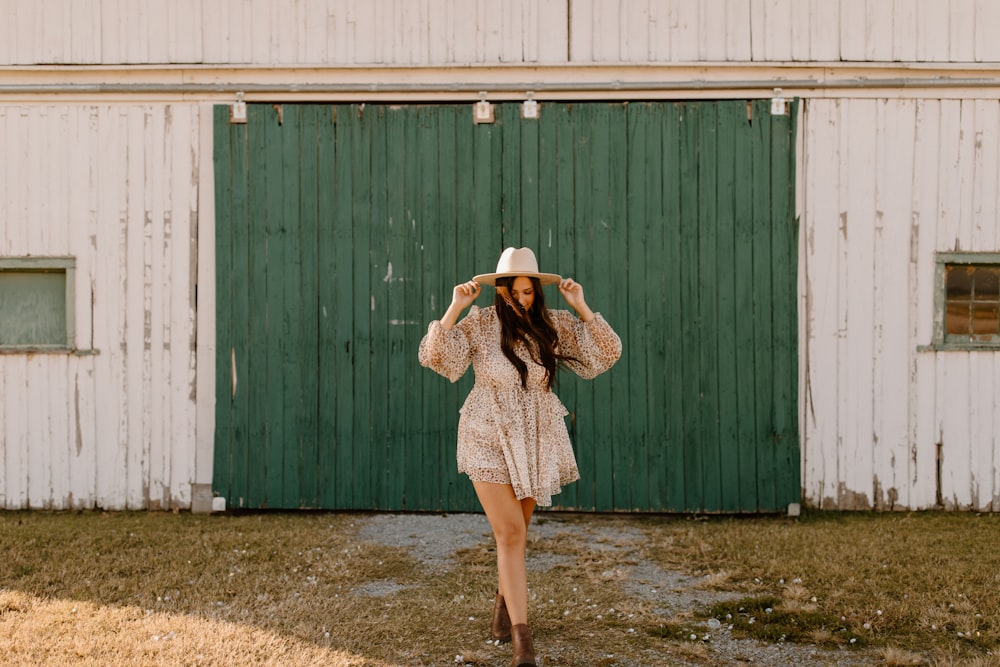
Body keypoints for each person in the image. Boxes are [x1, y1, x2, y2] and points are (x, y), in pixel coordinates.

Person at [418, 247, 622, 667]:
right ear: (500, 290)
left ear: (537, 292)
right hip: (485, 434)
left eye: (529, 291)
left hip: (536, 438)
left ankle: (502, 607)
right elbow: (436, 357)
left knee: (518, 534)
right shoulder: (482, 323)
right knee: (510, 534)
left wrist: (581, 305)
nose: (522, 299)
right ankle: (522, 643)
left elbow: (606, 353)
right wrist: (456, 306)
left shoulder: (552, 326)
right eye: (514, 291)